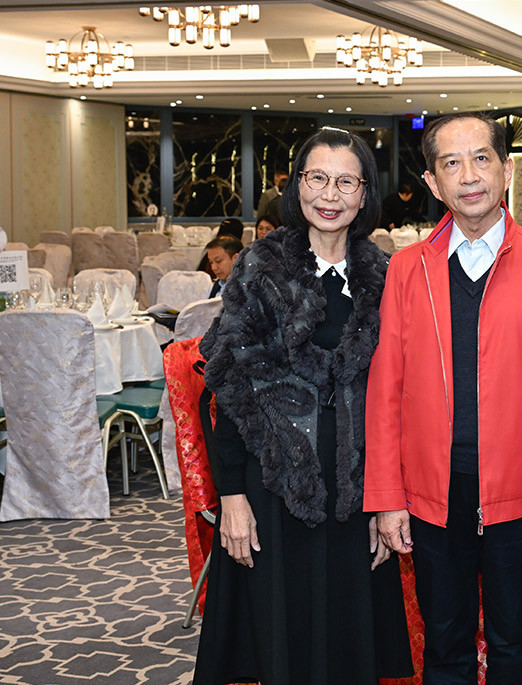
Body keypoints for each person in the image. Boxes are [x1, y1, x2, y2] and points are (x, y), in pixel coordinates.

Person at [365, 114, 522, 684]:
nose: (469, 176)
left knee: (515, 640)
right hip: (431, 491)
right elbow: (386, 389)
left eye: (482, 159)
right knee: (444, 642)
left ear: (507, 170)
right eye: (451, 163)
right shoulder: (407, 269)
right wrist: (388, 497)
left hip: (521, 492)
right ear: (433, 182)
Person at [193, 128, 413, 685]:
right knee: (283, 638)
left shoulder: (385, 276)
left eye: (346, 182)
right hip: (274, 484)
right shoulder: (258, 268)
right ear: (297, 185)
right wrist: (232, 495)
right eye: (317, 178)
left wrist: (386, 497)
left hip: (356, 486)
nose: (329, 194)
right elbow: (227, 385)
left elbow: (399, 398)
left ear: (365, 194)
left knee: (348, 639)